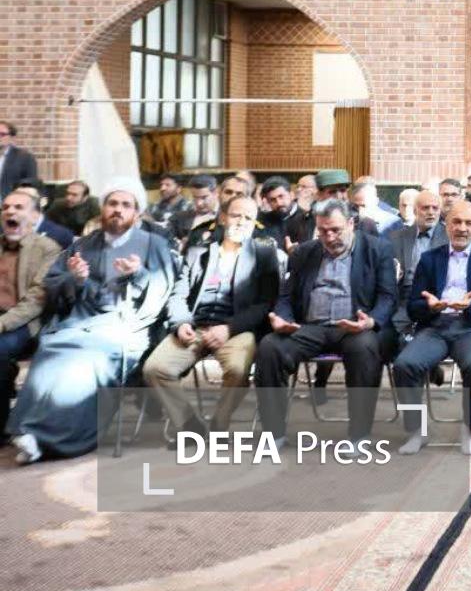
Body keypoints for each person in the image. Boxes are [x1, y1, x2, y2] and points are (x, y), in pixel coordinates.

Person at [9, 178, 181, 463]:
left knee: (87, 359)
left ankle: (54, 438)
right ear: (102, 209)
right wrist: (75, 279)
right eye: (112, 203)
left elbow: (161, 294)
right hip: (80, 322)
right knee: (51, 349)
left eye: (126, 205)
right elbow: (53, 285)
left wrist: (137, 275)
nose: (118, 210)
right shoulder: (83, 245)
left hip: (125, 326)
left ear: (137, 213)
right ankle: (31, 430)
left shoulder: (154, 245)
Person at [252, 201, 396, 446]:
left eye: (335, 230)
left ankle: (358, 436)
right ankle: (274, 434)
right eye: (322, 231)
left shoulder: (377, 249)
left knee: (365, 349)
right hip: (310, 327)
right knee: (270, 347)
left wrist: (371, 321)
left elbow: (388, 297)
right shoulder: (305, 252)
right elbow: (286, 296)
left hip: (354, 328)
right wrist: (283, 319)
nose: (329, 237)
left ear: (351, 224)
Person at [142, 194, 279, 437]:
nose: (241, 222)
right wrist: (181, 323)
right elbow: (179, 293)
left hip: (236, 330)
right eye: (236, 215)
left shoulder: (263, 254)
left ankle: (219, 424)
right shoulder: (198, 252)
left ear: (255, 223)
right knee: (155, 368)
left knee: (237, 370)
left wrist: (229, 328)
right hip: (194, 327)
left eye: (248, 218)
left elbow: (265, 304)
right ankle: (190, 424)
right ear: (223, 218)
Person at [393, 200, 471, 456]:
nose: (462, 228)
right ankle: (417, 430)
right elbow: (413, 306)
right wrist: (430, 306)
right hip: (435, 326)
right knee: (404, 365)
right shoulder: (429, 258)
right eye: (456, 222)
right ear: (446, 225)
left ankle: (468, 430)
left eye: (469, 223)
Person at [0, 190, 62, 439]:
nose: (10, 211)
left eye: (18, 207)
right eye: (6, 207)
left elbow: (37, 299)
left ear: (35, 216)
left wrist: (2, 323)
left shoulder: (47, 249)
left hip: (24, 323)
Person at [391, 190, 447, 304]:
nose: (431, 212)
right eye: (425, 208)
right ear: (415, 211)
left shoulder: (449, 237)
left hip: (438, 297)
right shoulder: (397, 237)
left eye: (435, 208)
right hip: (404, 298)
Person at [255, 175, 303, 251]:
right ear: (267, 202)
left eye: (281, 196)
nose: (279, 203)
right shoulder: (263, 220)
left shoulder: (307, 218)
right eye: (272, 200)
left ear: (292, 195)